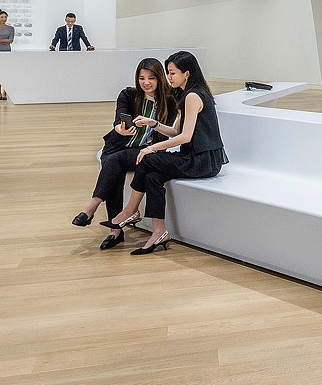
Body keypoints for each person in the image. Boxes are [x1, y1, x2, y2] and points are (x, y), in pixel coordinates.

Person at [103, 51, 228, 254]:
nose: (168, 78)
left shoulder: (193, 96)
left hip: (202, 161)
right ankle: (159, 232)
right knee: (153, 176)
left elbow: (185, 137)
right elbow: (175, 132)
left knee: (147, 159)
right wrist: (153, 124)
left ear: (186, 73)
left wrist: (151, 147)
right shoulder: (185, 94)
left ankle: (131, 210)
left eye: (172, 73)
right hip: (193, 157)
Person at [70, 58, 177, 250]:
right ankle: (116, 231)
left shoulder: (169, 101)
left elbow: (169, 131)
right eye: (142, 78)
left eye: (151, 78)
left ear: (160, 79)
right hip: (117, 145)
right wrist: (120, 129)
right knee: (113, 165)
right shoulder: (128, 95)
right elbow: (119, 119)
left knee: (114, 162)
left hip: (144, 152)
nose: (146, 82)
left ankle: (92, 208)